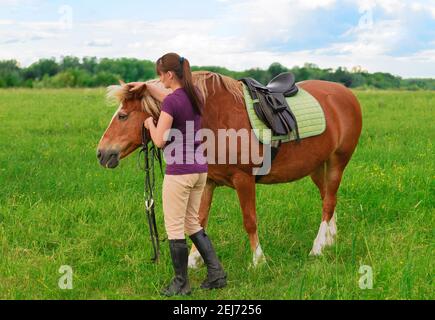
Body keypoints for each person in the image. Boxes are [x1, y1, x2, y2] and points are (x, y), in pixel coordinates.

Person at [128, 53, 226, 296]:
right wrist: (147, 87)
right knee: (192, 222)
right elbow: (171, 99)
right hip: (199, 170)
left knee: (174, 227)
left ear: (169, 74)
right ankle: (216, 274)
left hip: (179, 173)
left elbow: (160, 141)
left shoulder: (173, 102)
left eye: (160, 75)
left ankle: (181, 283)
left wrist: (150, 125)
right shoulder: (195, 96)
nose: (159, 80)